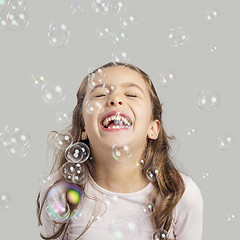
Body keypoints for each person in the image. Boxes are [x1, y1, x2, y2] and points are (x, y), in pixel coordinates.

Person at [36, 62, 203, 240]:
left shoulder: (180, 193)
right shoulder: (59, 192)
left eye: (131, 94)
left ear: (153, 128)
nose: (115, 99)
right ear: (83, 125)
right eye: (100, 94)